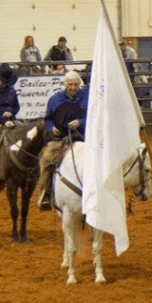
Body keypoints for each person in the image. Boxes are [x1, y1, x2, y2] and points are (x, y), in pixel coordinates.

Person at [36, 70, 89, 211]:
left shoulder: (88, 97)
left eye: (76, 84)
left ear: (80, 84)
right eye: (70, 84)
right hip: (62, 138)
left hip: (85, 137)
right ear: (65, 84)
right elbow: (48, 119)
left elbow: (94, 116)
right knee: (46, 159)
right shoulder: (55, 99)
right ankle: (45, 193)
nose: (73, 87)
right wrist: (52, 128)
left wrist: (80, 122)